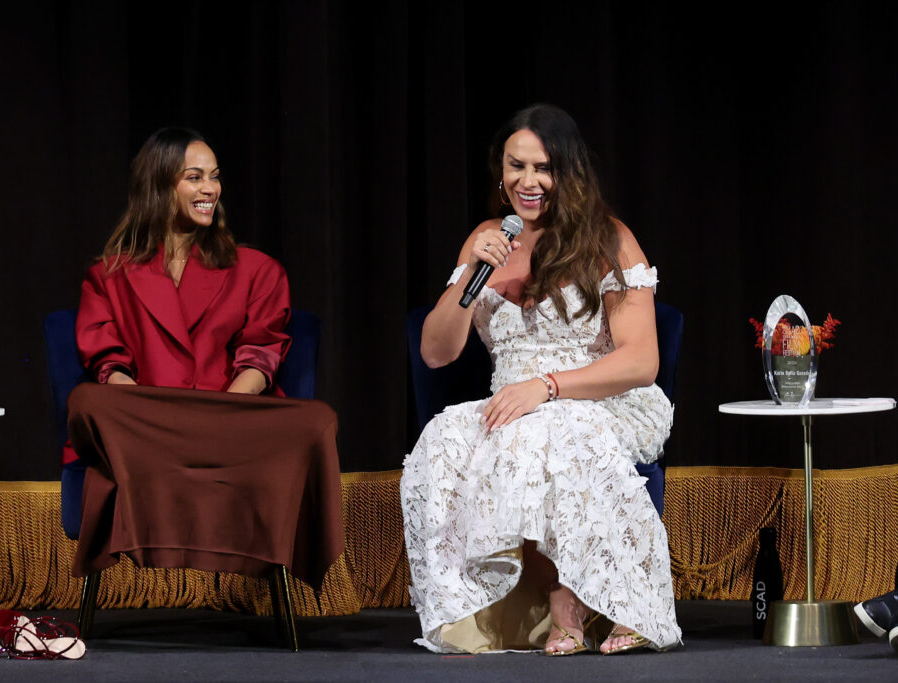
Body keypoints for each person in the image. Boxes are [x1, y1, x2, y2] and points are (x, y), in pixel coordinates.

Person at [401, 104, 682, 655]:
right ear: (500, 171)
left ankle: (574, 600)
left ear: (568, 172)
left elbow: (641, 361)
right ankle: (480, 606)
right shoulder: (486, 239)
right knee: (445, 441)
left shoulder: (607, 237)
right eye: (516, 167)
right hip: (512, 403)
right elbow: (436, 352)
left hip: (602, 397)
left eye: (543, 168)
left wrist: (547, 387)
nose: (527, 182)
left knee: (552, 434)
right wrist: (468, 281)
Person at [65, 127, 342, 591]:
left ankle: (191, 449)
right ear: (159, 186)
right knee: (87, 401)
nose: (210, 189)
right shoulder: (108, 276)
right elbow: (108, 365)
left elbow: (260, 355)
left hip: (230, 422)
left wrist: (219, 416)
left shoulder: (258, 269)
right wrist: (157, 418)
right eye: (194, 177)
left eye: (214, 177)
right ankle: (176, 450)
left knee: (318, 419)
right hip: (148, 426)